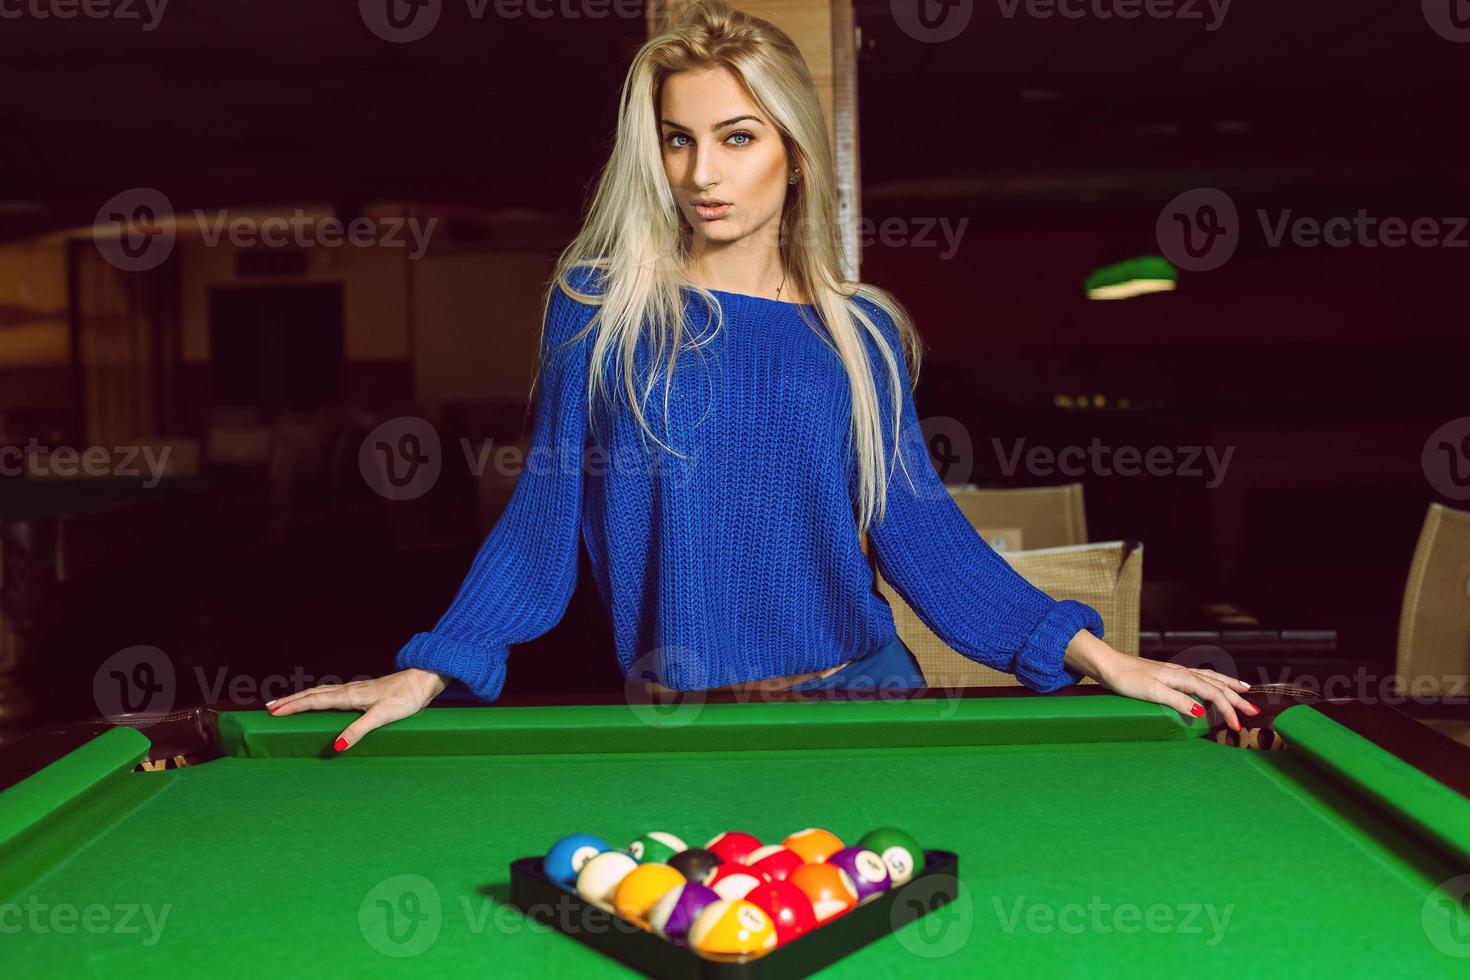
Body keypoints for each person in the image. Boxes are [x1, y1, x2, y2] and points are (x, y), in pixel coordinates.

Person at [269, 0, 1257, 748]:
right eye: (679, 138)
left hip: (865, 700)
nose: (704, 173)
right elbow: (539, 527)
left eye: (738, 138)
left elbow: (922, 533)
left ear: (792, 150)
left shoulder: (860, 331)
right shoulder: (598, 307)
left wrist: (1097, 654)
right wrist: (430, 667)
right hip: (678, 721)